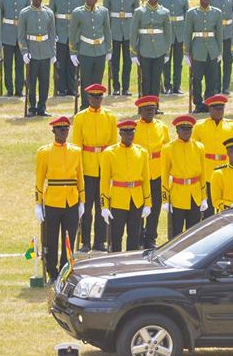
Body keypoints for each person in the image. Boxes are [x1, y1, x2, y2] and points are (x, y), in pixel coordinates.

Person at [35, 115, 84, 278]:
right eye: (60, 129)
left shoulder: (76, 151)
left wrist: (82, 201)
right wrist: (37, 203)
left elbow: (80, 177)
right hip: (52, 200)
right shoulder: (44, 152)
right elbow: (40, 179)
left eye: (66, 129)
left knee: (68, 239)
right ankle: (52, 270)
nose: (63, 133)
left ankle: (65, 269)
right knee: (51, 239)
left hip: (71, 199)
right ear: (53, 130)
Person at [70, 85, 116, 252]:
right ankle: (85, 241)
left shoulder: (110, 117)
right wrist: (78, 170)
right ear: (88, 98)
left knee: (102, 205)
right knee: (86, 207)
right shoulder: (80, 117)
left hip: (104, 166)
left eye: (99, 97)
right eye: (93, 97)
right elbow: (76, 146)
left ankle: (100, 241)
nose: (96, 100)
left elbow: (112, 146)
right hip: (87, 166)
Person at [101, 120, 151, 252]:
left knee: (134, 235)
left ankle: (131, 264)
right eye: (126, 132)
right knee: (116, 236)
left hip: (137, 198)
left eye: (132, 132)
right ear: (120, 133)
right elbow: (104, 181)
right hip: (118, 198)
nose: (130, 135)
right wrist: (104, 206)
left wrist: (148, 203)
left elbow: (146, 179)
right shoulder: (109, 153)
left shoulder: (142, 152)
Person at [162, 114, 206, 237]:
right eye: (183, 129)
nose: (186, 132)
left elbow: (203, 174)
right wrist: (165, 199)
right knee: (176, 231)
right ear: (177, 131)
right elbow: (164, 175)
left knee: (193, 232)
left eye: (189, 129)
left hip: (195, 193)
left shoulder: (199, 147)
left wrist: (204, 197)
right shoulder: (168, 148)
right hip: (177, 193)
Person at [193, 94, 233, 215]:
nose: (219, 111)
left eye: (221, 108)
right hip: (207, 169)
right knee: (208, 207)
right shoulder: (199, 126)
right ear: (210, 109)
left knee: (226, 203)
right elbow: (194, 150)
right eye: (216, 109)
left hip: (226, 169)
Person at [135, 97, 170, 249]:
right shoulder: (134, 127)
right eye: (147, 109)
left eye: (153, 109)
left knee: (155, 208)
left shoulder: (162, 127)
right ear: (140, 111)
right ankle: (138, 235)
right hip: (140, 173)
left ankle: (151, 237)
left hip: (157, 172)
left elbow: (167, 150)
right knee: (139, 206)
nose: (150, 112)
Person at [70, 0, 112, 110]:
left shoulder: (103, 11)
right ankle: (85, 106)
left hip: (100, 50)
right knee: (86, 81)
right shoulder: (78, 12)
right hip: (85, 50)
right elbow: (73, 33)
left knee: (97, 80)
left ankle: (96, 104)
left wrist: (109, 50)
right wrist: (73, 52)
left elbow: (107, 31)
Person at [17, 0, 56, 117]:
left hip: (45, 51)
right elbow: (21, 36)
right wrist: (24, 52)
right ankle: (32, 106)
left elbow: (52, 35)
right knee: (31, 81)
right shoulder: (25, 13)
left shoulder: (49, 13)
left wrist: (53, 53)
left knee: (44, 81)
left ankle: (42, 107)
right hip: (32, 51)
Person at [184, 0, 224, 110]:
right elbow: (187, 34)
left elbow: (219, 34)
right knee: (197, 79)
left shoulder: (217, 13)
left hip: (212, 49)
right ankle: (198, 103)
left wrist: (219, 51)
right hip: (197, 50)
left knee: (211, 79)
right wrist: (186, 52)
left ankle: (209, 102)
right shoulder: (191, 13)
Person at [104, 0, 139, 97]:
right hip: (114, 30)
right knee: (114, 61)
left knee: (128, 62)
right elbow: (105, 15)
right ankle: (116, 87)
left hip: (128, 31)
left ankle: (126, 87)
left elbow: (136, 17)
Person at [0, 0, 26, 98]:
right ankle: (9, 89)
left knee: (20, 64)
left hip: (21, 35)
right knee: (7, 65)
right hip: (7, 34)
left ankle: (19, 89)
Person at [49, 0, 82, 97]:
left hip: (75, 35)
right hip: (61, 34)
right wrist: (54, 33)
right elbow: (51, 17)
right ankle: (60, 88)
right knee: (60, 63)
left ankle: (73, 88)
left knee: (73, 64)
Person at [159, 0, 188, 95]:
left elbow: (187, 17)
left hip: (179, 33)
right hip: (166, 33)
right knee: (166, 61)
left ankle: (177, 86)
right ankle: (167, 85)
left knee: (178, 62)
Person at [211, 0, 233, 94]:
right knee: (216, 60)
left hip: (229, 33)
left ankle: (225, 86)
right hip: (216, 33)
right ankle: (216, 86)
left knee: (228, 61)